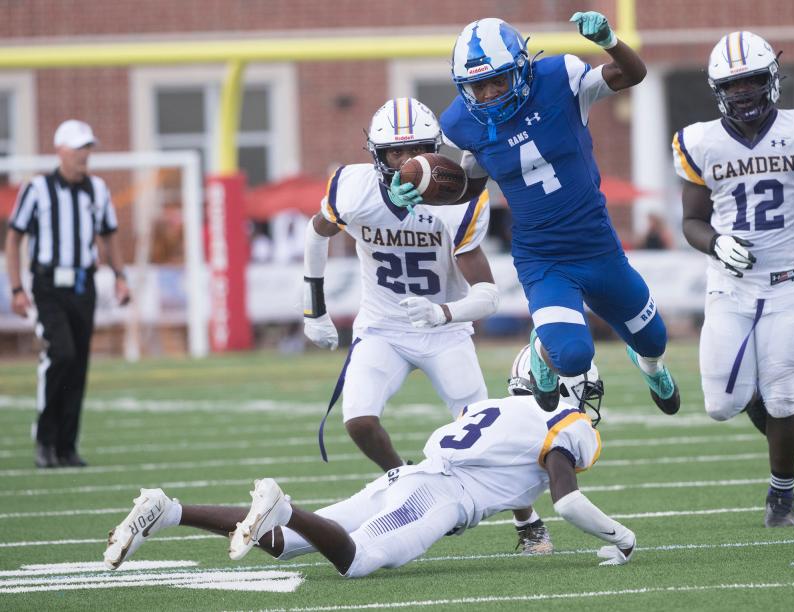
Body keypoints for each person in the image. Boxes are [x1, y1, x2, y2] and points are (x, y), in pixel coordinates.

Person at [103, 349, 637, 576]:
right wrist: (623, 538)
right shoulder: (569, 425)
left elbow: (515, 478)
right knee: (357, 561)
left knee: (287, 548)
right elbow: (566, 500)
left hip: (407, 476)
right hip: (438, 495)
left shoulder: (497, 405)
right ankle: (282, 507)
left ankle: (167, 510)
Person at [301, 98, 548, 552]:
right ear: (375, 154)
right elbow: (317, 232)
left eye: (415, 150)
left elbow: (489, 295)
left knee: (484, 436)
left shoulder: (459, 202)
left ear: (435, 150)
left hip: (444, 332)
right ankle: (404, 480)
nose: (404, 162)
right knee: (357, 422)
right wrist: (312, 308)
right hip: (381, 327)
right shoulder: (353, 188)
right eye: (395, 152)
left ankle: (527, 519)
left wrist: (444, 313)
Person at [424, 11, 679, 416]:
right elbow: (471, 187)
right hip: (544, 258)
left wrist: (610, 40)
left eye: (497, 80)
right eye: (477, 86)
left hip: (598, 247)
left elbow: (632, 74)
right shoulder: (463, 123)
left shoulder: (561, 80)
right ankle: (541, 352)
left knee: (654, 340)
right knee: (574, 356)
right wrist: (425, 193)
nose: (488, 94)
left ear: (521, 69)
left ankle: (650, 367)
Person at [673, 31, 794, 527]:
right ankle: (761, 400)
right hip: (731, 284)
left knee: (785, 397)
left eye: (753, 81)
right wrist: (715, 242)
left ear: (772, 79)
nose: (744, 93)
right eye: (733, 85)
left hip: (788, 280)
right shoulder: (700, 141)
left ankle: (782, 493)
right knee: (721, 405)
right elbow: (691, 221)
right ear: (718, 89)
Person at [4, 119, 130, 469]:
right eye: (78, 148)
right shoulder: (37, 189)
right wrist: (16, 287)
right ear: (60, 150)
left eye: (88, 147)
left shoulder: (98, 190)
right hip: (47, 286)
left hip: (82, 285)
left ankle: (66, 445)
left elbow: (110, 236)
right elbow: (13, 238)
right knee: (60, 354)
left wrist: (120, 276)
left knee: (78, 365)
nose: (85, 155)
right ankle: (44, 439)